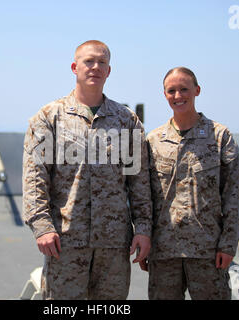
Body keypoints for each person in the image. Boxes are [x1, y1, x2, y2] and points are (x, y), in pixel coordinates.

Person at [22, 40, 152, 300]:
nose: (95, 67)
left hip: (113, 244)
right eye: (89, 61)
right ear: (74, 67)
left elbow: (138, 180)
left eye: (102, 62)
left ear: (109, 70)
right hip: (66, 240)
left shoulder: (126, 120)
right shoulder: (49, 117)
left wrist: (144, 228)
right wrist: (42, 226)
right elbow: (35, 176)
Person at [145, 67, 239, 300]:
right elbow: (145, 198)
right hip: (164, 252)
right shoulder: (153, 141)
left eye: (184, 89)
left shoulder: (219, 136)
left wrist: (228, 244)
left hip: (208, 251)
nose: (178, 96)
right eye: (172, 91)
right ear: (165, 95)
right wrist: (146, 241)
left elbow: (233, 194)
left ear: (197, 91)